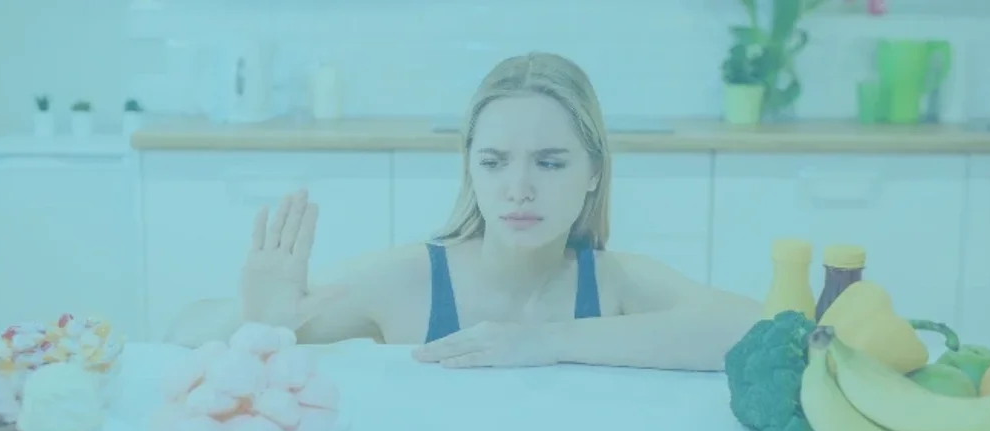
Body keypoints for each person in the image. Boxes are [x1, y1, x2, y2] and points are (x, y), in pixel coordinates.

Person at [168, 52, 761, 371]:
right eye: (495, 162)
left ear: (593, 173)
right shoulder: (410, 280)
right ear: (470, 169)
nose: (519, 189)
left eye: (550, 163)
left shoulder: (615, 282)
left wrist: (545, 342)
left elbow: (755, 330)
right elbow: (180, 334)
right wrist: (257, 320)